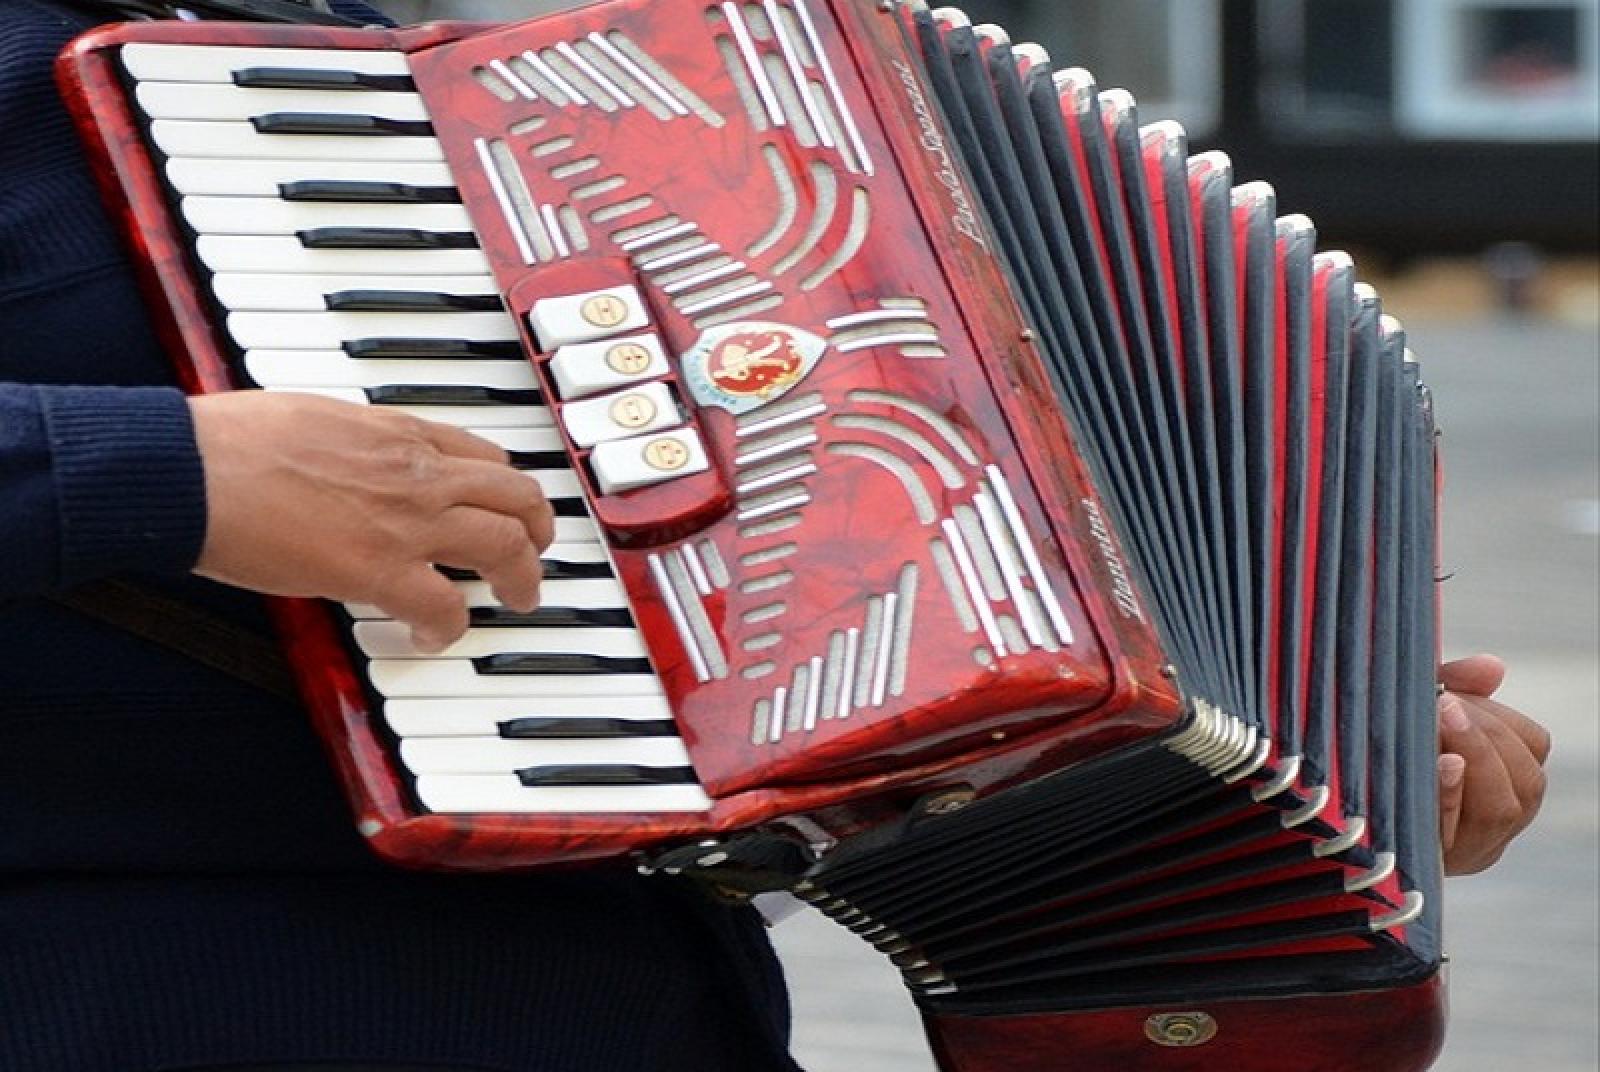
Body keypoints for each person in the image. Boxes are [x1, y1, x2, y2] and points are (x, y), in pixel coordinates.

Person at [0, 1, 1549, 1070]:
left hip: (634, 1009)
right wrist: (161, 467)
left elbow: (764, 630)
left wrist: (1292, 745)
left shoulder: (309, 66)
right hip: (134, 990)